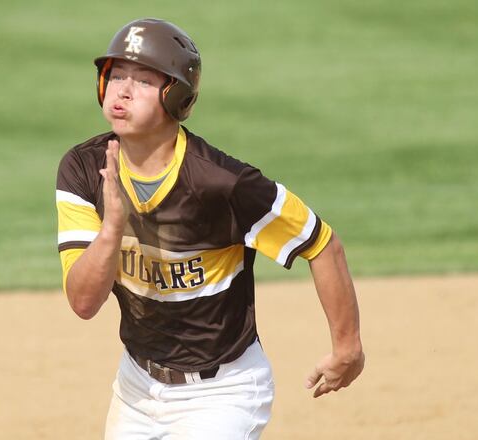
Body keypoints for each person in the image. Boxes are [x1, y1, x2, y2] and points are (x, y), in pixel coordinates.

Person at [55, 18, 364, 439]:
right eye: (116, 76)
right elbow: (83, 302)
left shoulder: (223, 183)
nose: (122, 90)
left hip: (224, 393)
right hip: (135, 388)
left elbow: (321, 243)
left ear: (177, 97)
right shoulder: (85, 169)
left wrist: (347, 349)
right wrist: (111, 230)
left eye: (144, 81)